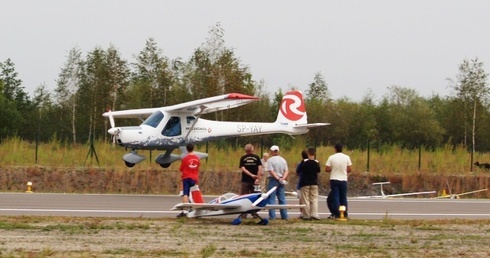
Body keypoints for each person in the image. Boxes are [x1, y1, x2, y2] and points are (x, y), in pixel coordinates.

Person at [325, 143, 352, 219]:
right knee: (343, 197)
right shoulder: (346, 157)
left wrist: (332, 169)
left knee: (335, 197)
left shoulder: (331, 157)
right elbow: (349, 169)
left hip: (334, 179)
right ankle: (345, 213)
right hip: (343, 179)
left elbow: (327, 169)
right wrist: (343, 170)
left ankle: (337, 213)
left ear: (335, 149)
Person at [238, 143, 263, 218]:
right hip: (255, 181)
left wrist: (251, 175)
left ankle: (243, 213)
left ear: (245, 150)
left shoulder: (243, 158)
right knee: (256, 197)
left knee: (243, 197)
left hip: (245, 180)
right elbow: (260, 168)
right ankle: (254, 213)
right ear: (252, 149)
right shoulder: (257, 157)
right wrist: (257, 178)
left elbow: (243, 169)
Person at [177, 143, 201, 217]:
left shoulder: (185, 159)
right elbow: (197, 168)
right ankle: (195, 208)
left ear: (187, 149)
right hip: (194, 178)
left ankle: (185, 211)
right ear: (193, 148)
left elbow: (181, 169)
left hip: (186, 178)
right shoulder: (197, 158)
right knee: (194, 193)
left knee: (185, 194)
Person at [267, 145, 289, 220]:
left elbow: (271, 170)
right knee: (282, 198)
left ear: (272, 151)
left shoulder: (270, 160)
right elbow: (286, 171)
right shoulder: (283, 160)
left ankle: (272, 216)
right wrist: (283, 178)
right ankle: (284, 216)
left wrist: (277, 178)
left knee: (271, 198)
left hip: (273, 179)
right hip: (282, 179)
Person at [298, 147, 321, 220]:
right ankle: (314, 214)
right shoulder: (316, 162)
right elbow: (318, 170)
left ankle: (306, 215)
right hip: (314, 182)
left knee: (306, 199)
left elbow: (299, 170)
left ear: (308, 153)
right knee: (314, 199)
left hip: (305, 182)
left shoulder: (304, 162)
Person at [296, 150, 308, 218]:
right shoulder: (313, 162)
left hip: (302, 183)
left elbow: (297, 172)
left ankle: (302, 213)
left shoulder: (301, 164)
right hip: (309, 182)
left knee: (301, 199)